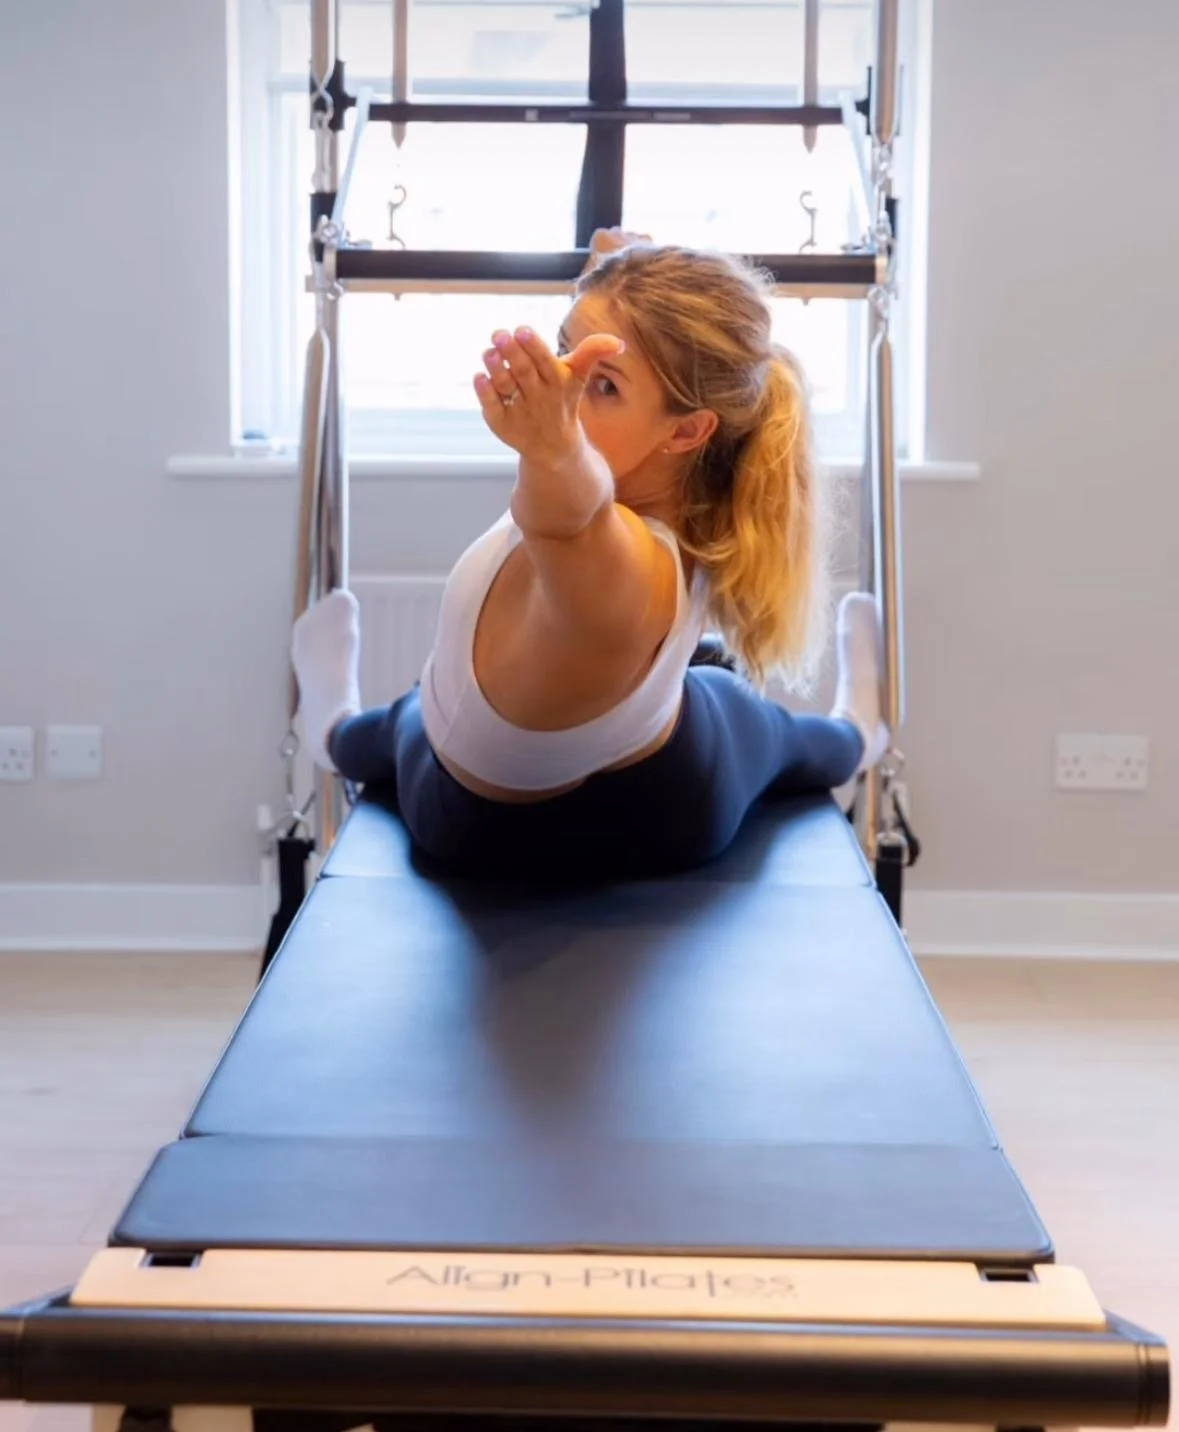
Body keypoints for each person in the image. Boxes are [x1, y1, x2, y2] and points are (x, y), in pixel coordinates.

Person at [291, 230, 889, 881]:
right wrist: (614, 273)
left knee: (754, 722)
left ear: (686, 430)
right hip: (517, 796)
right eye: (563, 348)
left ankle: (859, 730)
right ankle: (338, 723)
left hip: (648, 809)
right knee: (425, 704)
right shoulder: (633, 465)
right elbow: (600, 431)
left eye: (602, 385)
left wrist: (551, 447)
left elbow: (573, 515)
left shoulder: (617, 551)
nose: (563, 381)